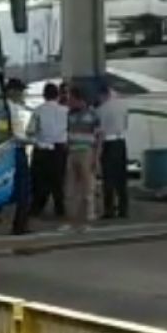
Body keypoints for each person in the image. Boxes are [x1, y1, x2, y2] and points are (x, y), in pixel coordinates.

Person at [63, 82, 102, 232]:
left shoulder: (92, 115)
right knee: (71, 188)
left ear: (79, 99)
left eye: (71, 98)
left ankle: (86, 221)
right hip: (72, 152)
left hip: (86, 152)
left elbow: (99, 136)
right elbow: (67, 132)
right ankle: (71, 221)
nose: (69, 101)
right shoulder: (69, 115)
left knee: (86, 188)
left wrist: (96, 157)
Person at [28, 81, 68, 219]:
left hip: (42, 149)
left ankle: (36, 208)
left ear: (44, 95)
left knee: (40, 181)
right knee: (58, 180)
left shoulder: (38, 110)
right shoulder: (65, 111)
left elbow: (30, 130)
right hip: (59, 149)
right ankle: (59, 208)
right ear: (57, 95)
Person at [97, 81, 130, 220]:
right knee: (121, 178)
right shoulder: (123, 106)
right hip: (121, 143)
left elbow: (100, 132)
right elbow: (126, 124)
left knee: (108, 179)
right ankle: (123, 210)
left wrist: (97, 151)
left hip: (108, 144)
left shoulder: (101, 110)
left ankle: (109, 210)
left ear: (102, 95)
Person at [4, 78, 32, 235]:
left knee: (19, 188)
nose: (23, 94)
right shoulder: (11, 108)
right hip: (16, 149)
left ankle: (19, 223)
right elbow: (14, 134)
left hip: (13, 149)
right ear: (13, 92)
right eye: (21, 91)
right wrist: (31, 141)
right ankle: (21, 225)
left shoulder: (9, 107)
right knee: (23, 188)